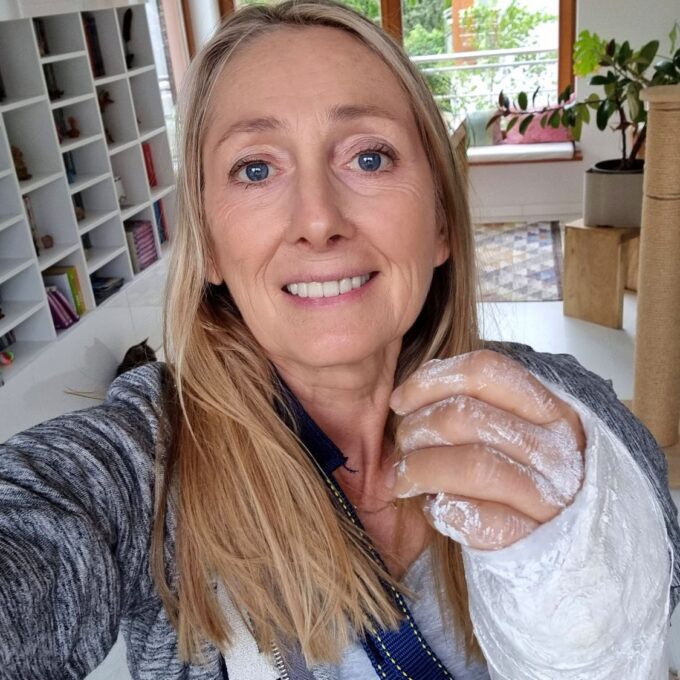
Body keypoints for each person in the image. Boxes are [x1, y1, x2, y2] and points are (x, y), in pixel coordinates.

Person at [1, 2, 678, 678]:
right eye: (256, 169)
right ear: (207, 244)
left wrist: (584, 571)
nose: (318, 219)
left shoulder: (561, 413)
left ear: (441, 223)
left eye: (369, 157)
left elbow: (660, 586)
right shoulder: (144, 464)